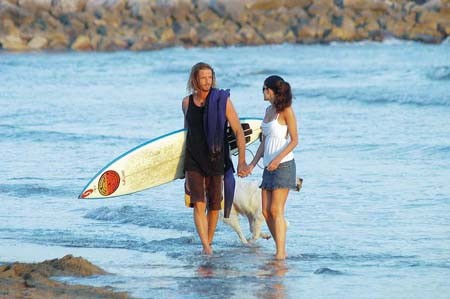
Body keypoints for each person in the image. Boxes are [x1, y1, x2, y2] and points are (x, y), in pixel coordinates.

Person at [182, 62, 247, 255]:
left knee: (214, 206)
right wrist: (180, 170)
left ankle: (208, 242)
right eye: (203, 77)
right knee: (198, 202)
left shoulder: (222, 101)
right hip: (193, 158)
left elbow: (238, 131)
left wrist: (242, 160)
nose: (207, 81)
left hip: (216, 157)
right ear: (194, 79)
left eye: (210, 77)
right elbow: (186, 133)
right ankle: (206, 246)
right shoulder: (186, 103)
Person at [245, 75, 298, 260]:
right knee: (266, 212)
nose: (263, 92)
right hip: (268, 167)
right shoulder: (268, 110)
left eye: (264, 89)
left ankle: (280, 254)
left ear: (271, 90)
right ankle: (280, 249)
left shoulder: (286, 111)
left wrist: (277, 159)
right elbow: (264, 142)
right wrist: (252, 164)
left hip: (283, 165)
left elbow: (295, 140)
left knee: (276, 211)